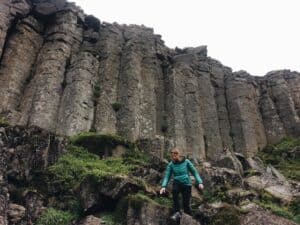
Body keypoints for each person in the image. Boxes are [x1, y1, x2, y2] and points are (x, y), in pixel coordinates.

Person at [160, 148, 204, 218]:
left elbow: (194, 172)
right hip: (177, 183)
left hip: (186, 184)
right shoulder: (171, 165)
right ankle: (177, 212)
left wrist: (200, 182)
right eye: (172, 156)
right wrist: (163, 186)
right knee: (174, 192)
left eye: (175, 155)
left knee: (186, 204)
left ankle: (189, 218)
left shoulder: (186, 161)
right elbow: (167, 176)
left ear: (178, 155)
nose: (174, 157)